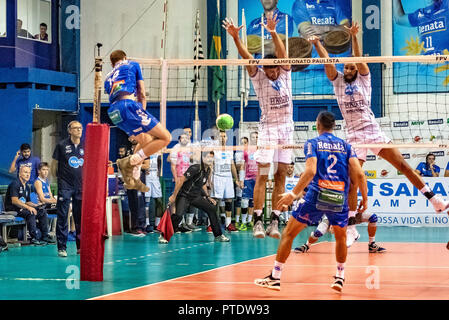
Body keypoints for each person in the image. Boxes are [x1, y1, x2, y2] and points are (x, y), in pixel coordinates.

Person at [309, 21, 449, 250]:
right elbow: (327, 62)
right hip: (353, 136)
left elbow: (360, 59)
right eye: (347, 67)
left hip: (373, 131)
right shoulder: (338, 82)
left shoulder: (364, 78)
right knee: (352, 181)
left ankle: (435, 201)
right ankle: (352, 228)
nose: (349, 70)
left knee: (403, 165)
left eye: (353, 67)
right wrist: (316, 44)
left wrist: (354, 37)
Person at [254, 111, 368, 292]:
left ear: (317, 125)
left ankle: (275, 277)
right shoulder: (346, 146)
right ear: (333, 126)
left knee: (289, 234)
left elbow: (310, 172)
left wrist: (293, 194)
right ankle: (340, 277)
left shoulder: (313, 143)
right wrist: (365, 199)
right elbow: (360, 174)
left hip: (316, 196)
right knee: (340, 238)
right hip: (339, 197)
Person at [224, 13, 293, 239]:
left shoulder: (285, 74)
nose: (273, 72)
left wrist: (273, 32)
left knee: (281, 174)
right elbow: (247, 58)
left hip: (286, 130)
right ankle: (257, 221)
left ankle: (274, 220)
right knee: (263, 175)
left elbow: (283, 56)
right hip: (268, 130)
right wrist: (235, 38)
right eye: (269, 68)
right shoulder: (259, 76)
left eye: (275, 68)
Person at [105, 50, 171, 191]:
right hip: (129, 106)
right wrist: (142, 110)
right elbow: (141, 92)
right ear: (125, 58)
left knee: (146, 140)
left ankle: (133, 176)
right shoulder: (132, 64)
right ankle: (129, 161)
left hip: (113, 113)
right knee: (166, 138)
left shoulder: (107, 77)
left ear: (112, 63)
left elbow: (113, 93)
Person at [168, 151, 229, 242]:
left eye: (212, 158)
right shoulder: (195, 168)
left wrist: (208, 197)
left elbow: (201, 184)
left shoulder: (208, 170)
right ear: (203, 158)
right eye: (208, 157)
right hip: (184, 195)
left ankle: (218, 235)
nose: (210, 159)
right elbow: (180, 180)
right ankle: (164, 235)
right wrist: (173, 196)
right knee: (178, 215)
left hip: (195, 197)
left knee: (211, 209)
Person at [51, 120, 84, 257]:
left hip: (81, 185)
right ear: (69, 130)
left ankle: (80, 247)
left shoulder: (85, 145)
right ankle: (62, 247)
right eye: (76, 128)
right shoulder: (61, 145)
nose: (79, 130)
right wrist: (58, 181)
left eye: (80, 128)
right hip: (65, 185)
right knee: (63, 216)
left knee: (80, 217)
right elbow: (54, 166)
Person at [5, 166, 54, 245]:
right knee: (30, 212)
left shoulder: (27, 186)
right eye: (25, 172)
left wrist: (36, 205)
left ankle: (45, 236)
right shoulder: (15, 184)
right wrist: (29, 207)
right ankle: (34, 238)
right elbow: (15, 201)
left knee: (42, 211)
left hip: (22, 208)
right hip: (13, 210)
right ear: (20, 174)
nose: (28, 174)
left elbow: (27, 202)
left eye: (29, 173)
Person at [211, 131, 239, 232]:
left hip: (228, 178)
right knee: (215, 201)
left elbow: (232, 165)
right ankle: (211, 224)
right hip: (217, 177)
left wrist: (237, 179)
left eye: (224, 136)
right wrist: (209, 180)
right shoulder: (214, 150)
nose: (223, 138)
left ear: (227, 138)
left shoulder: (229, 150)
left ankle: (228, 224)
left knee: (229, 200)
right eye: (220, 136)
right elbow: (210, 165)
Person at [240, 132, 259, 231]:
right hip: (247, 179)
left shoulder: (261, 150)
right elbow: (242, 166)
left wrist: (267, 178)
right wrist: (241, 180)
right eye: (253, 137)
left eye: (256, 137)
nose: (255, 138)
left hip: (258, 179)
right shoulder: (246, 150)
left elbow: (265, 165)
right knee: (244, 202)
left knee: (253, 201)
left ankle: (250, 221)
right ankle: (243, 222)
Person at [145, 152, 164, 231]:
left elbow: (160, 161)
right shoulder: (145, 149)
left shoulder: (158, 150)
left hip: (155, 179)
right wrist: (144, 170)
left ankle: (157, 224)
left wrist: (159, 172)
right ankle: (147, 224)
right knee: (146, 202)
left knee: (159, 201)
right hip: (147, 178)